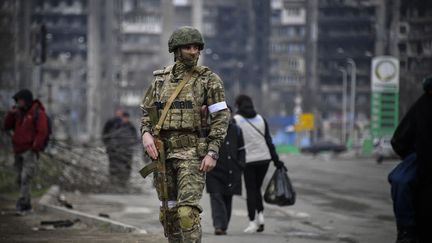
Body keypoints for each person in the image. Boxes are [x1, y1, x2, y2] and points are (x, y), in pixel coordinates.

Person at [140, 26, 229, 242]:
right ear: (176, 50)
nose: (193, 51)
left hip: (192, 154)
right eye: (188, 47)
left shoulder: (208, 80)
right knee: (168, 213)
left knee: (186, 214)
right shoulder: (160, 80)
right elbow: (146, 112)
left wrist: (213, 151)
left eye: (196, 47)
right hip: (163, 154)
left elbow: (221, 117)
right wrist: (145, 134)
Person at [233, 94, 285, 233]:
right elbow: (269, 141)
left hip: (248, 160)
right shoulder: (261, 119)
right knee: (257, 189)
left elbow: (234, 142)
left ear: (237, 105)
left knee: (251, 190)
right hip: (264, 159)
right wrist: (276, 161)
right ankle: (261, 216)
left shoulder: (236, 120)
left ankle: (252, 221)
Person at [391, 75, 432, 243]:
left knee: (399, 179)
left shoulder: (423, 104)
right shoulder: (424, 104)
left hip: (423, 162)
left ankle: (405, 230)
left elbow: (399, 140)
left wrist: (414, 154)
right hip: (423, 159)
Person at [3, 89, 48, 214]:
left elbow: (42, 131)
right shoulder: (17, 113)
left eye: (20, 101)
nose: (18, 103)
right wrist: (10, 114)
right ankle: (26, 204)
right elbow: (6, 126)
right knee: (19, 178)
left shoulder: (37, 113)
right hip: (18, 150)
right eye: (17, 101)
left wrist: (35, 147)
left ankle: (22, 203)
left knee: (25, 177)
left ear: (27, 101)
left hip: (30, 151)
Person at [206, 106, 245, 235]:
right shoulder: (210, 129)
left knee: (228, 198)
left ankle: (223, 225)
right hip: (214, 170)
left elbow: (241, 150)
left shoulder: (237, 130)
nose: (225, 116)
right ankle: (219, 225)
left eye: (227, 113)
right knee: (216, 196)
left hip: (232, 171)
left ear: (231, 115)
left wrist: (241, 164)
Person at [112, 112, 138, 188]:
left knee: (127, 166)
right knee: (119, 166)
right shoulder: (117, 126)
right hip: (119, 150)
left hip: (128, 150)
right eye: (123, 118)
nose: (125, 119)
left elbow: (135, 138)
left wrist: (131, 144)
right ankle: (118, 182)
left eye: (126, 118)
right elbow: (113, 136)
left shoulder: (131, 127)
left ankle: (125, 181)